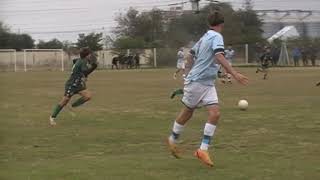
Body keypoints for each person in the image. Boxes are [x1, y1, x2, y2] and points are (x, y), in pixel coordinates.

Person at [166, 11, 249, 167]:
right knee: (188, 112)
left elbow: (191, 55)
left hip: (207, 83)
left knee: (215, 113)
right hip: (197, 82)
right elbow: (218, 56)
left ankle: (202, 150)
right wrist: (234, 73)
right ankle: (173, 139)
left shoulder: (204, 37)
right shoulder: (216, 37)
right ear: (221, 24)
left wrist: (187, 73)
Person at [49, 47, 97, 126]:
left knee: (88, 96)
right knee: (64, 101)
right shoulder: (83, 61)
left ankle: (71, 106)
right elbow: (85, 72)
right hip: (71, 84)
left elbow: (75, 62)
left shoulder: (81, 60)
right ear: (87, 55)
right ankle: (52, 117)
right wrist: (93, 68)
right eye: (89, 54)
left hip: (78, 84)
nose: (90, 55)